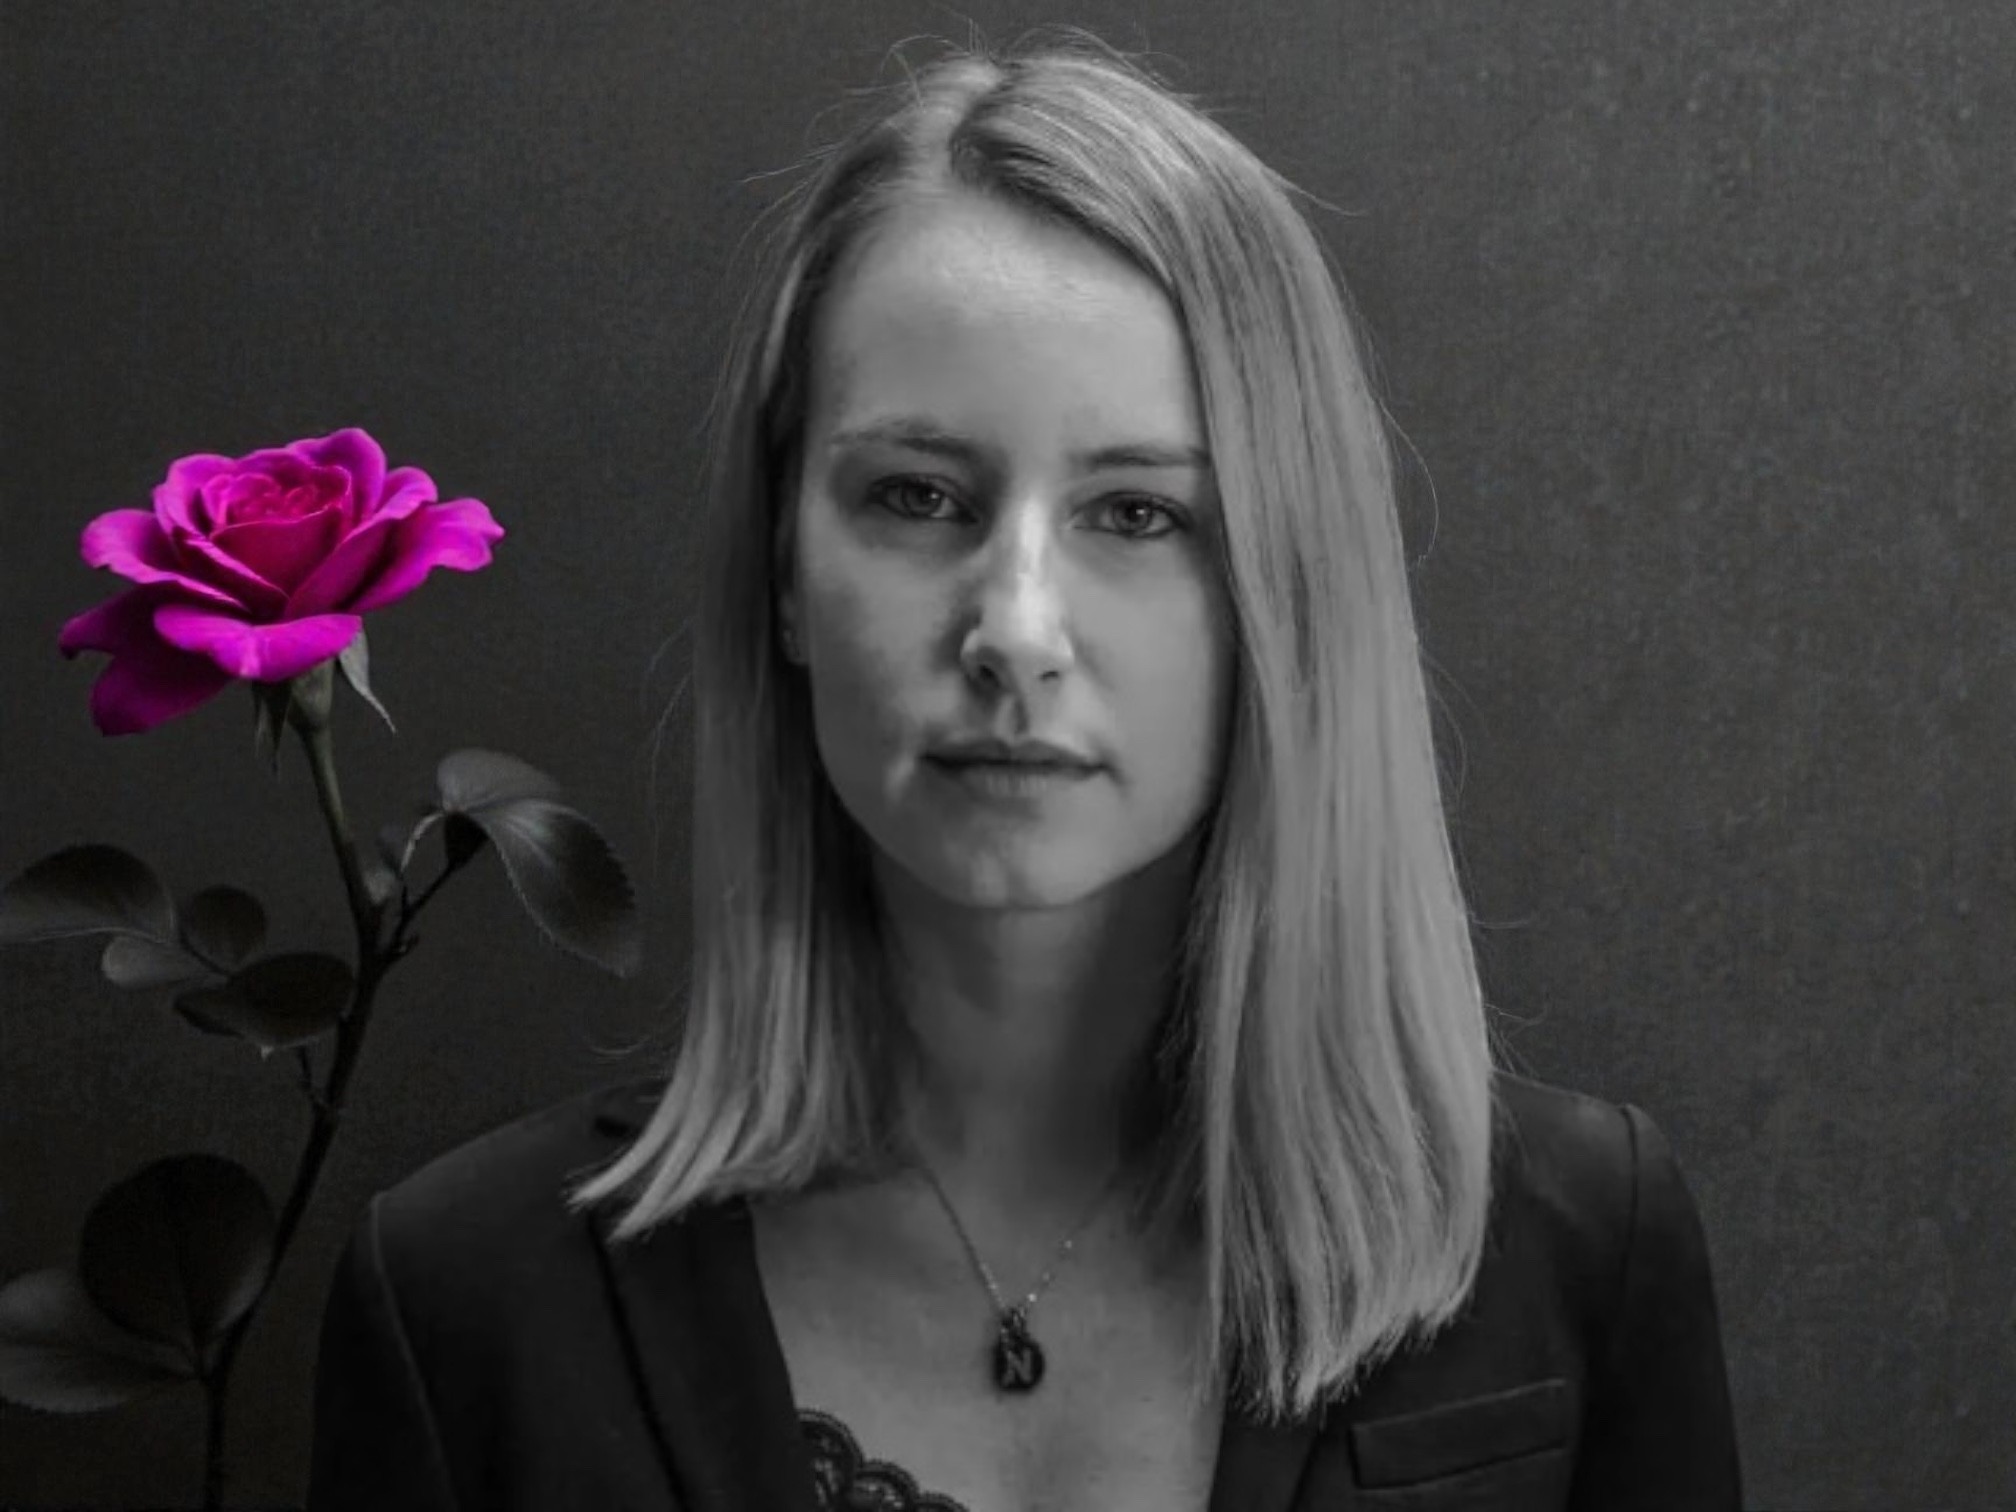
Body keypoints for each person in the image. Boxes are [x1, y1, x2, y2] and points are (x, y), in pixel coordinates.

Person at [306, 26, 1742, 1511]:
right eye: (919, 497)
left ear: (1285, 589)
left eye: (1137, 515)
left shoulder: (1582, 1251)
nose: (1016, 632)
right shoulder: (465, 1304)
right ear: (786, 573)